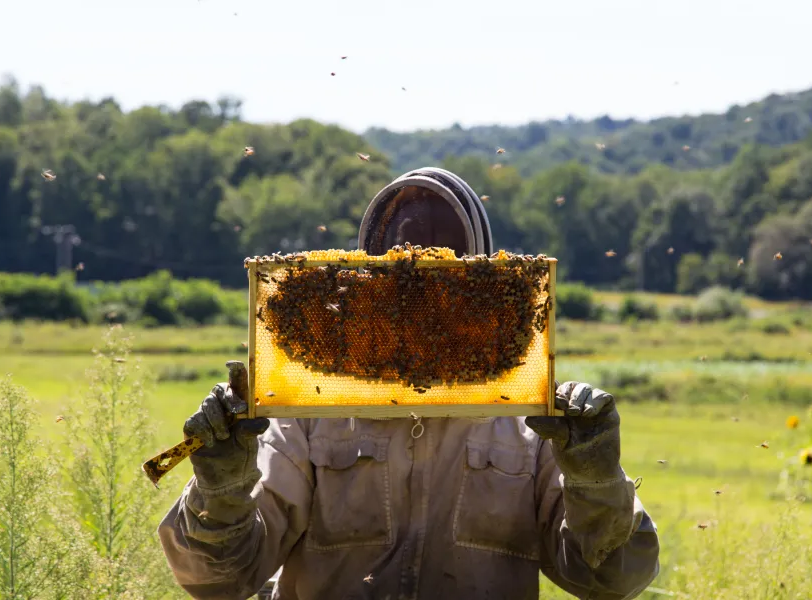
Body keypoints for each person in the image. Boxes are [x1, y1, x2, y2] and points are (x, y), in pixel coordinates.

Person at [158, 168, 660, 599]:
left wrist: (595, 482)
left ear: (486, 291)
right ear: (365, 284)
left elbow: (614, 579)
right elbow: (216, 580)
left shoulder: (530, 427)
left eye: (444, 281)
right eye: (398, 282)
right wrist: (220, 490)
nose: (421, 302)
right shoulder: (308, 415)